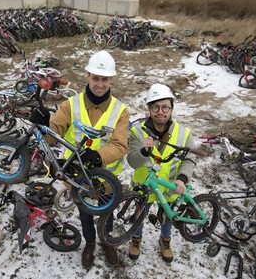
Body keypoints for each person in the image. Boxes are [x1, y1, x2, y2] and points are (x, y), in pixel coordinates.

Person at [47, 50, 130, 269]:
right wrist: (43, 124)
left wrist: (99, 156)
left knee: (107, 212)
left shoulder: (120, 111)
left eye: (104, 79)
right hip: (78, 176)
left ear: (111, 79)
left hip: (106, 179)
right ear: (87, 76)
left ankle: (107, 242)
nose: (99, 84)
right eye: (95, 78)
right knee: (85, 212)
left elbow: (121, 145)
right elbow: (53, 131)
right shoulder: (70, 105)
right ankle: (90, 244)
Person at [127, 83, 196, 263]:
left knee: (167, 217)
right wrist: (143, 151)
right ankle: (136, 239)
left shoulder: (185, 133)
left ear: (172, 109)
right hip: (144, 188)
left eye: (165, 107)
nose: (161, 111)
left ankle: (165, 241)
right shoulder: (136, 132)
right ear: (149, 109)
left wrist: (182, 180)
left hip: (171, 187)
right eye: (155, 107)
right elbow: (132, 162)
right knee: (139, 215)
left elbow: (189, 160)